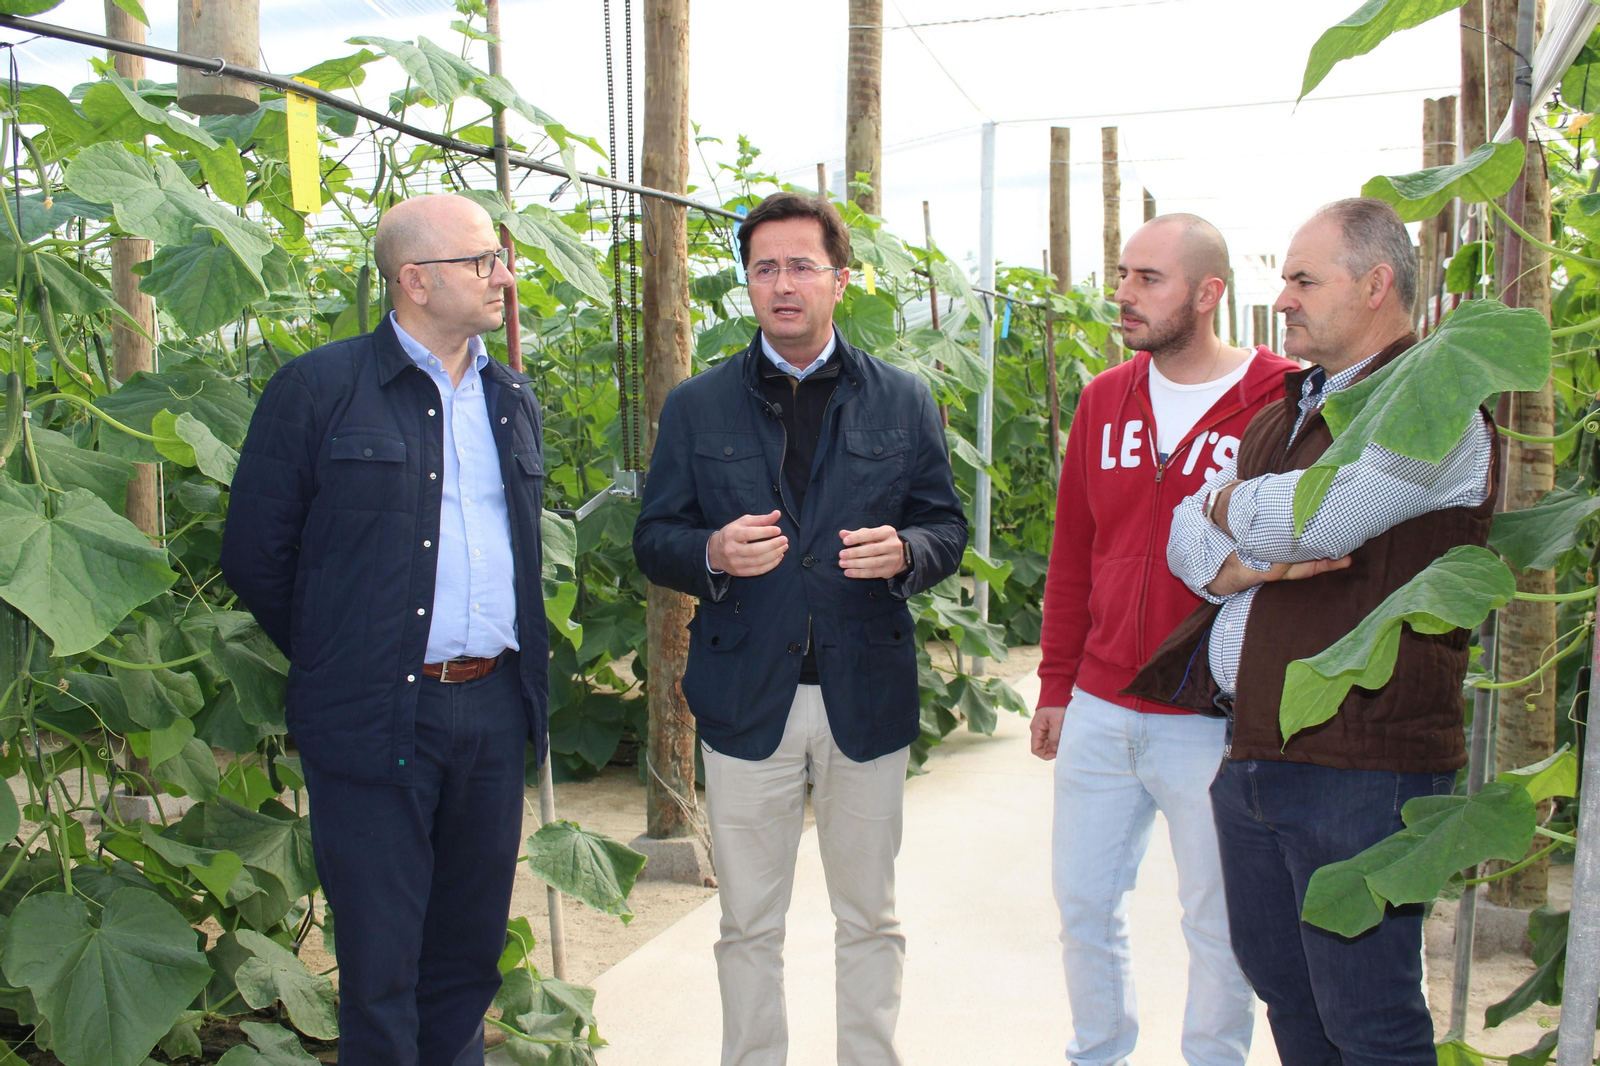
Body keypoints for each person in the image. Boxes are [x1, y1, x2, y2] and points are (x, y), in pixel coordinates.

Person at [1127, 197, 1495, 1064]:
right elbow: (1184, 548)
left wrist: (1223, 507)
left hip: (1364, 768)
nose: (1283, 298)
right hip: (1259, 755)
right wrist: (1245, 536)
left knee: (1368, 1019)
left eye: (1303, 279)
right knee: (1292, 1003)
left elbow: (1327, 517)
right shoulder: (1286, 412)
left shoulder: (1435, 402)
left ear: (1375, 285)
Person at [633, 191, 966, 1066]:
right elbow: (654, 537)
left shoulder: (902, 399)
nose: (783, 284)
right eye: (765, 268)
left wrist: (908, 551)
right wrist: (709, 549)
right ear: (748, 283)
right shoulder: (699, 406)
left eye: (801, 266)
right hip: (748, 699)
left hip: (866, 691)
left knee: (869, 917)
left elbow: (947, 527)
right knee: (747, 922)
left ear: (839, 279)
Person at [222, 193, 548, 1066]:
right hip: (373, 715)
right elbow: (257, 554)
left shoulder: (510, 397)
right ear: (414, 281)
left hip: (491, 709)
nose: (504, 277)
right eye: (483, 261)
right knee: (378, 966)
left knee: (467, 956)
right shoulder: (319, 390)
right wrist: (350, 654)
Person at [1032, 213, 1294, 1066]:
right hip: (1103, 707)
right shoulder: (1107, 397)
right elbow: (1074, 552)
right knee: (1084, 907)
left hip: (1211, 713)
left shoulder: (1281, 397)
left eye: (1149, 279)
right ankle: (1097, 1052)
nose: (1124, 295)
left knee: (1218, 921)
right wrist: (1056, 686)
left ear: (1209, 293)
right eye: (1123, 274)